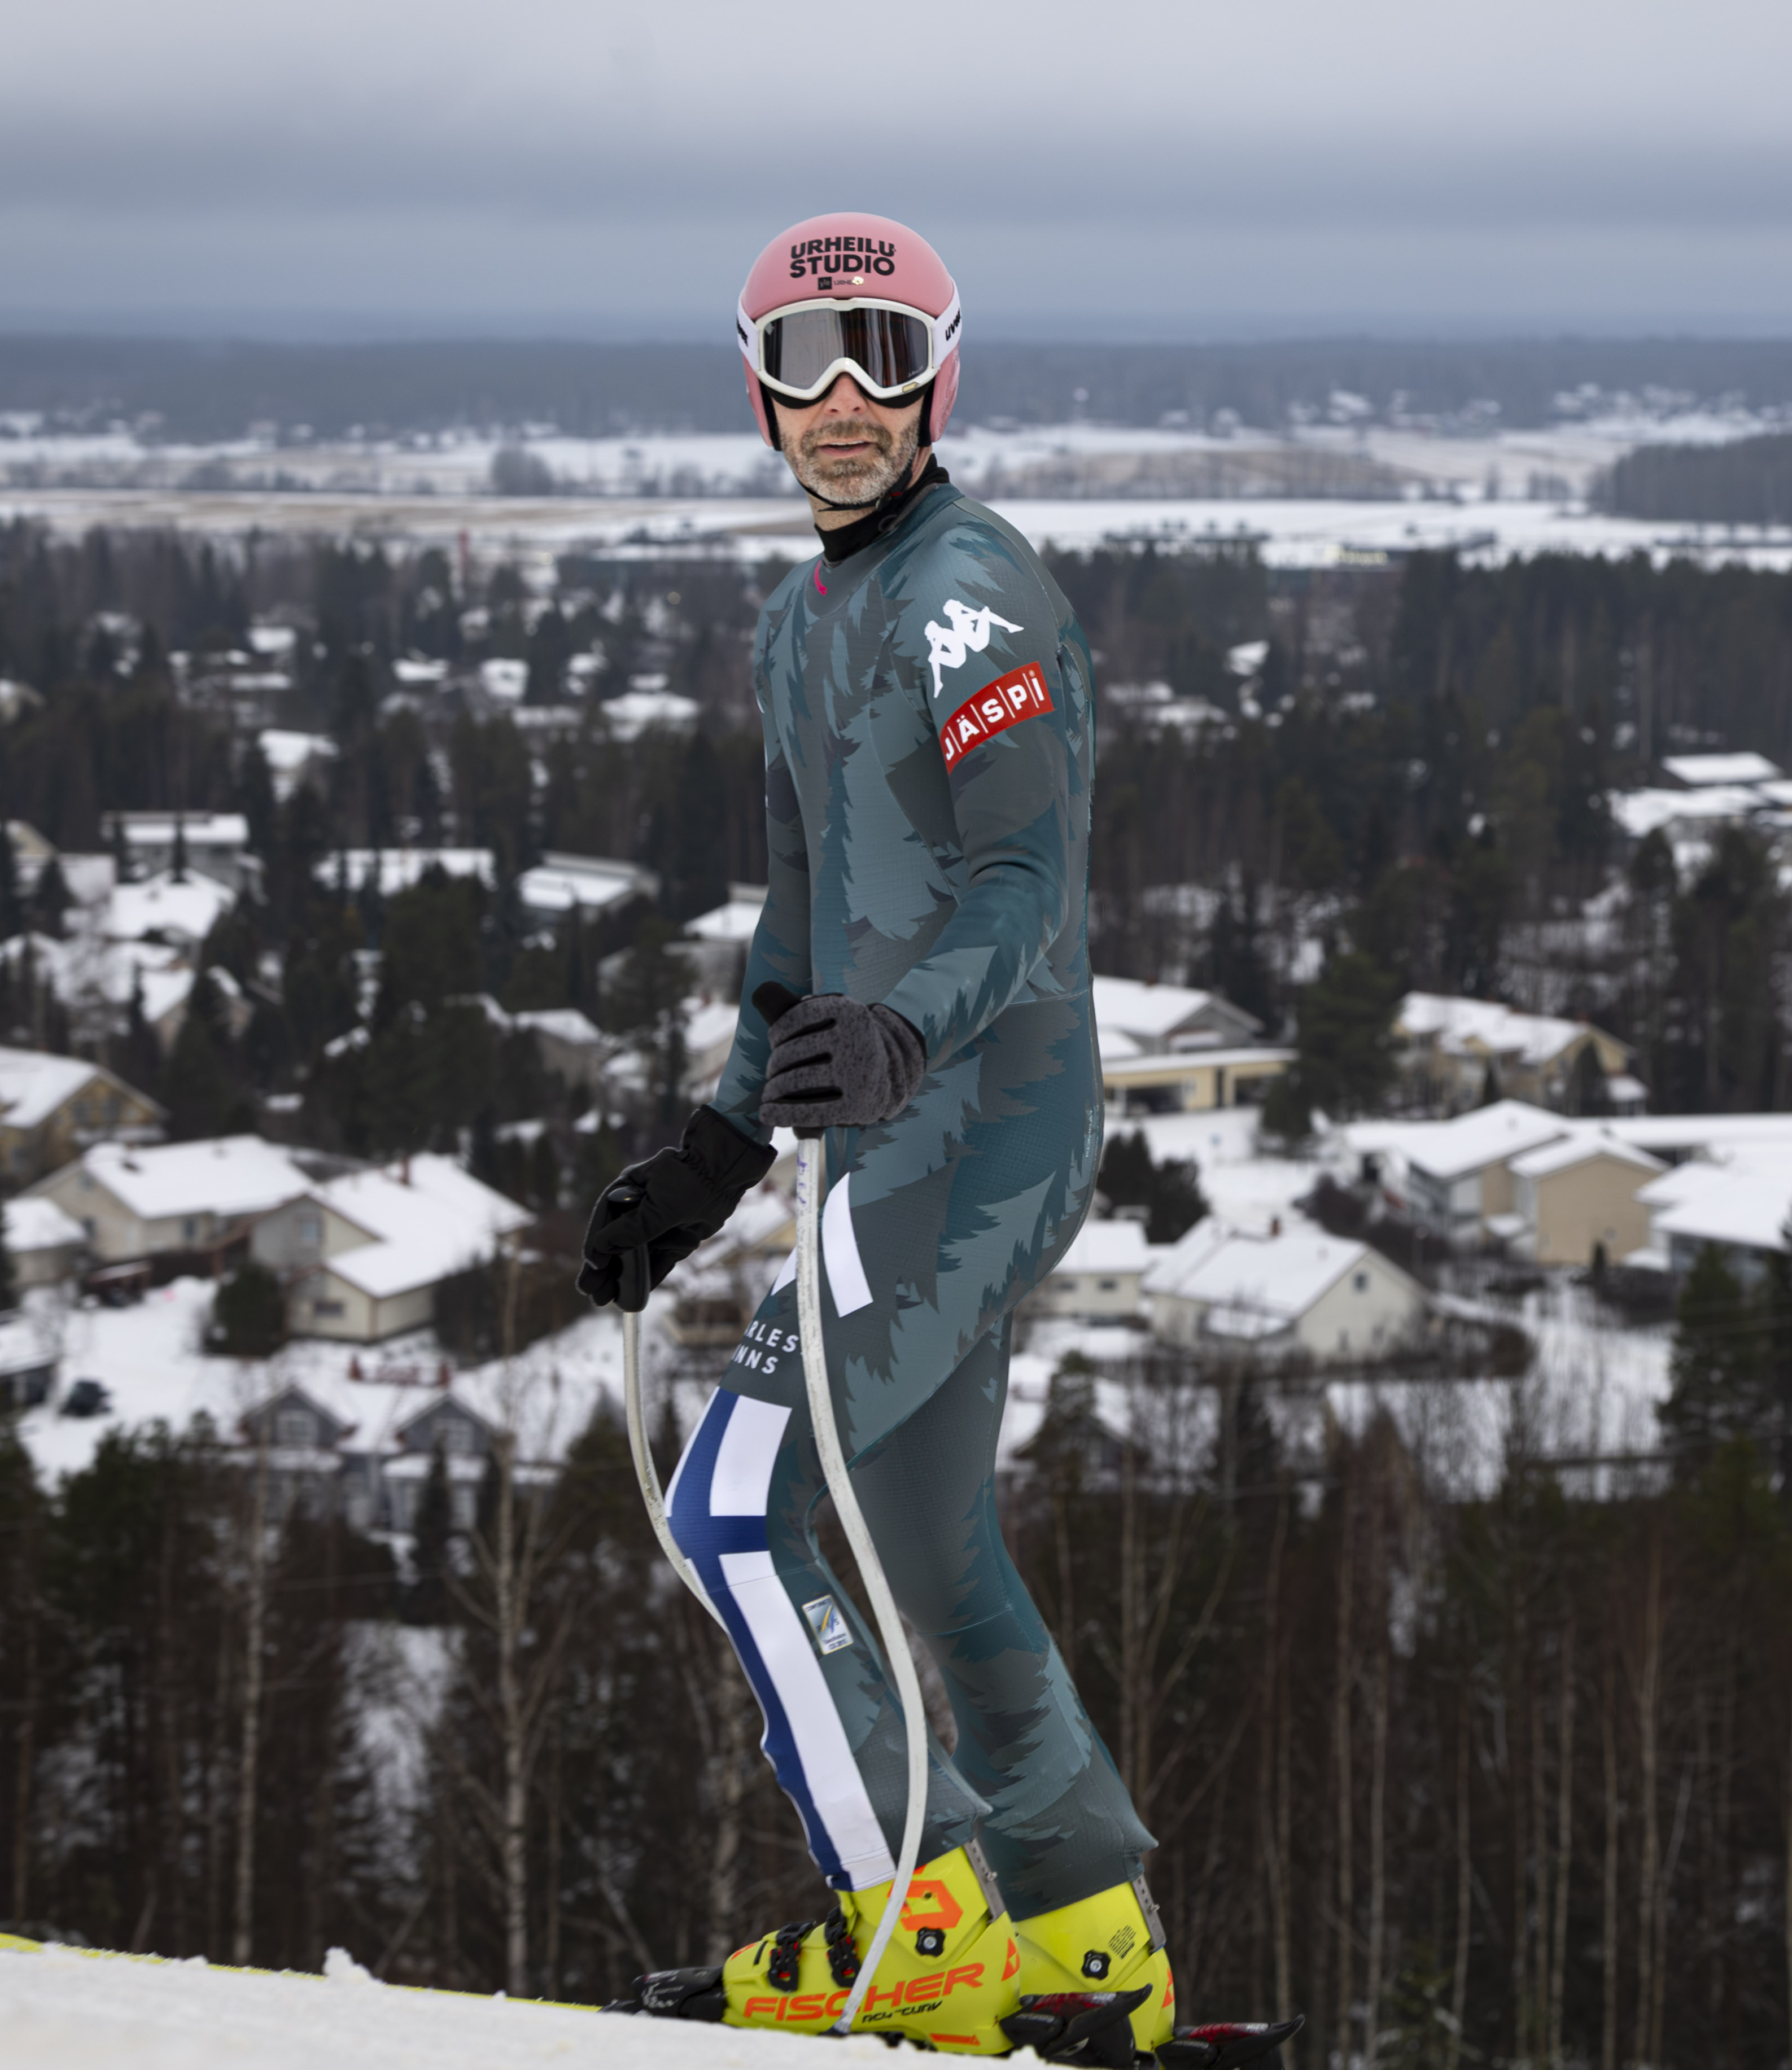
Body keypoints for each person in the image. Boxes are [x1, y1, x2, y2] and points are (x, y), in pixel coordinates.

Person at [580, 214, 1290, 2070]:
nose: (842, 398)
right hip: (888, 1133)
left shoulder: (970, 593)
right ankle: (1084, 1930)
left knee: (728, 1505)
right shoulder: (798, 620)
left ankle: (916, 1917)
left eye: (880, 355)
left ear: (937, 379)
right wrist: (714, 1150)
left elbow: (1022, 880)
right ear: (756, 391)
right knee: (924, 1541)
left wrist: (906, 1032)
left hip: (980, 1124)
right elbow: (800, 922)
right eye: (803, 359)